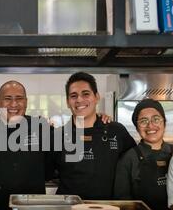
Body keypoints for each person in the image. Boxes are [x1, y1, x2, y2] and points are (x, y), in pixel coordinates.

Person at [0, 81, 52, 210]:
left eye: (19, 98)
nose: (13, 104)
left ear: (26, 102)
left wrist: (98, 118)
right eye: (7, 99)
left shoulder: (42, 128)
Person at [55, 72, 136, 200]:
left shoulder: (116, 131)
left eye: (86, 94)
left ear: (97, 97)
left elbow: (133, 165)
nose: (79, 100)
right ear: (67, 102)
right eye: (73, 96)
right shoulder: (57, 136)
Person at [114, 99, 173, 210]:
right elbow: (123, 202)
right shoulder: (128, 159)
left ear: (164, 123)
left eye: (156, 119)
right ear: (136, 127)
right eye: (143, 121)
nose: (150, 125)